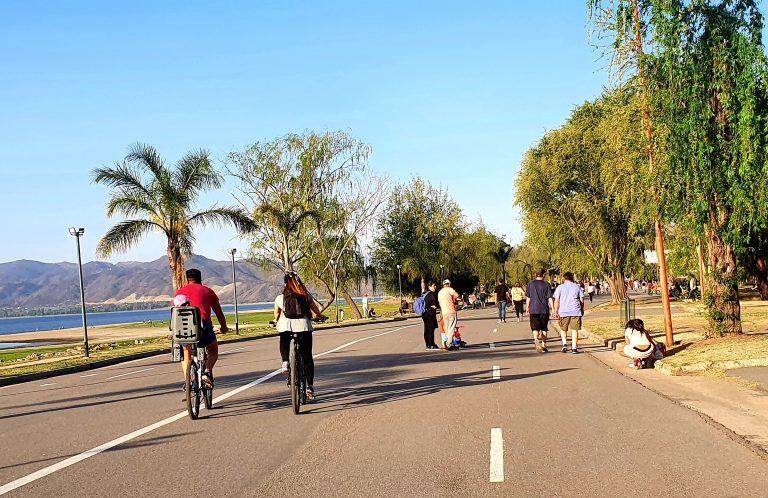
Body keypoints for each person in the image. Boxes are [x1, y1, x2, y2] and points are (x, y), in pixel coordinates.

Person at [174, 268, 228, 390]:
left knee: (186, 351)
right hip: (203, 325)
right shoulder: (207, 291)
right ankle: (207, 372)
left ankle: (188, 380)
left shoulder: (179, 293)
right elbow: (218, 312)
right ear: (200, 278)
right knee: (213, 350)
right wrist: (224, 328)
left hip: (184, 329)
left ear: (187, 280)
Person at [274, 272, 322, 400]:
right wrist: (320, 316)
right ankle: (309, 387)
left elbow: (277, 315)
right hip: (304, 328)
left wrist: (275, 321)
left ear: (285, 284)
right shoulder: (305, 295)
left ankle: (285, 362)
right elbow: (315, 310)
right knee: (307, 357)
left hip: (286, 328)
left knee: (283, 338)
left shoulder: (280, 298)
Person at [553, 272, 585, 354]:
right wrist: (581, 308)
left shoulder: (560, 287)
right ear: (572, 278)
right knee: (575, 329)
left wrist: (555, 311)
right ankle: (574, 347)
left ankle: (564, 344)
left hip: (563, 311)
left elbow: (556, 300)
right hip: (575, 311)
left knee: (563, 329)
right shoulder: (577, 287)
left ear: (564, 278)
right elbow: (581, 300)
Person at [525, 269, 553, 353]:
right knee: (544, 328)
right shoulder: (547, 284)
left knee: (535, 327)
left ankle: (536, 339)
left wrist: (527, 307)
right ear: (543, 275)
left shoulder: (530, 284)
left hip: (533, 309)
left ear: (535, 274)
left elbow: (528, 297)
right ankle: (544, 346)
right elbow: (549, 297)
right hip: (544, 309)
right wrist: (553, 309)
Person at [438, 279, 460, 350]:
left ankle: (448, 342)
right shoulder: (450, 289)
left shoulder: (440, 292)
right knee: (452, 328)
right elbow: (457, 295)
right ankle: (448, 343)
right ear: (449, 284)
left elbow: (440, 304)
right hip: (451, 311)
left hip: (444, 312)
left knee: (447, 328)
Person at [420, 282, 440, 350]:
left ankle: (427, 345)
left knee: (426, 329)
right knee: (431, 329)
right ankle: (432, 344)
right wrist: (436, 306)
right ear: (429, 286)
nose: (435, 287)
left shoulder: (424, 293)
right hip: (430, 314)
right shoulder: (431, 294)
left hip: (424, 313)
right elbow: (436, 304)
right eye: (434, 286)